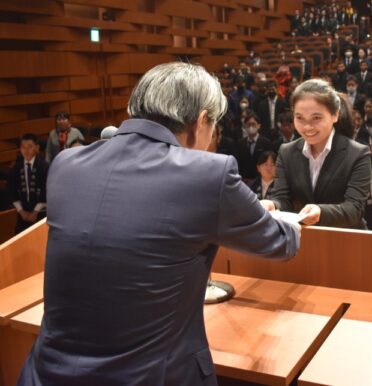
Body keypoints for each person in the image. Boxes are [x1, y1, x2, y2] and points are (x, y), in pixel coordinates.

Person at [17, 62, 300, 386]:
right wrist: (288, 220)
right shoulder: (208, 174)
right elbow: (279, 242)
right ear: (203, 120)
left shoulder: (66, 165)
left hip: (45, 376)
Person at [261, 78, 371, 228]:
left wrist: (320, 211)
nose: (307, 127)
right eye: (299, 118)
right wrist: (272, 205)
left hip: (346, 240)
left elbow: (354, 209)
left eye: (316, 118)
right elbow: (283, 199)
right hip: (303, 239)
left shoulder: (358, 154)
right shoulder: (286, 151)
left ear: (335, 115)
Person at [7, 134, 48, 233]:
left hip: (41, 214)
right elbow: (12, 190)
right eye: (23, 147)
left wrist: (35, 212)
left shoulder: (44, 167)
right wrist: (21, 212)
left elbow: (45, 190)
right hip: (23, 215)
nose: (26, 150)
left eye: (30, 146)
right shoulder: (16, 168)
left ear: (37, 148)